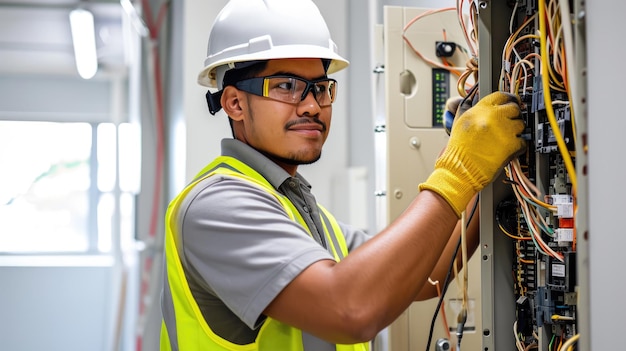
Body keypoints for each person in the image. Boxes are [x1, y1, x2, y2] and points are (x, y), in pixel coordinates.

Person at [160, 0, 525, 350]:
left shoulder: (305, 215)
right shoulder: (216, 206)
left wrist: (492, 170)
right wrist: (456, 172)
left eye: (320, 88)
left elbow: (428, 273)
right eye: (286, 86)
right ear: (234, 103)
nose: (312, 105)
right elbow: (349, 308)